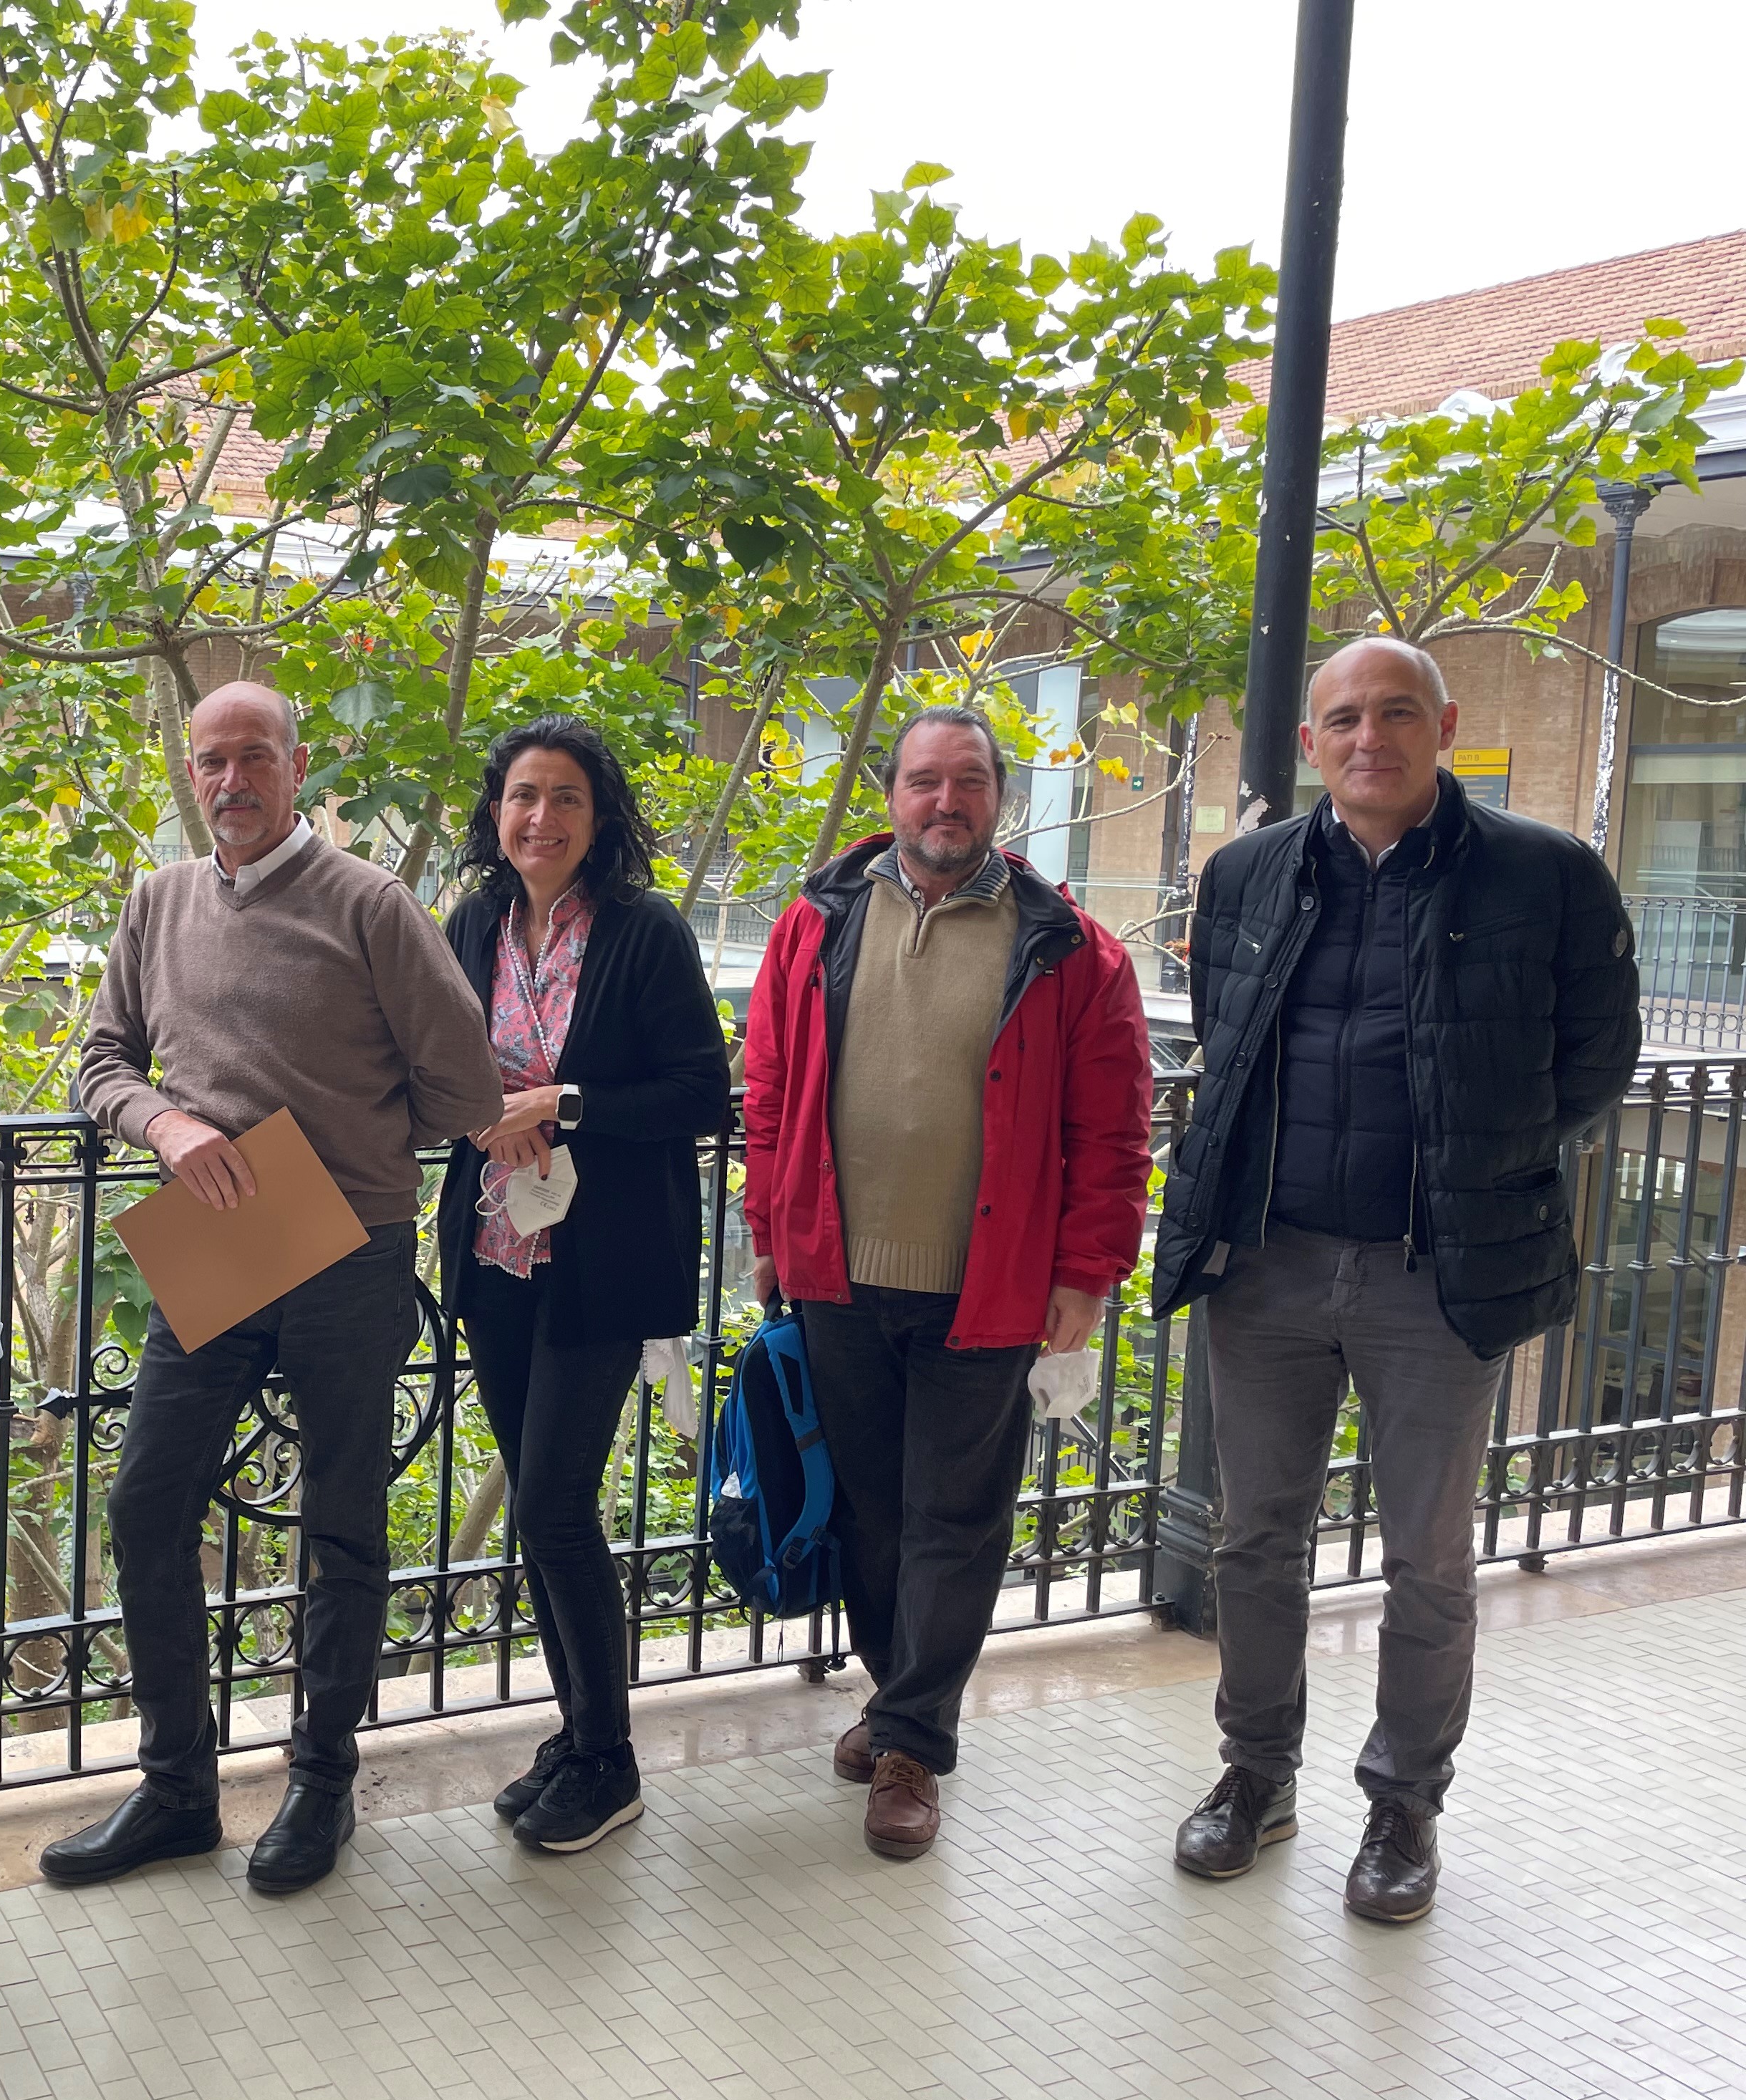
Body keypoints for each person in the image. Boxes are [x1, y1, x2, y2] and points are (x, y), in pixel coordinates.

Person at [1153, 637, 1637, 1923]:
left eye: (1398, 713)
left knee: (1427, 1556)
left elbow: (1595, 1061)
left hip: (1439, 1273)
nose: (1371, 737)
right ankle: (1256, 1775)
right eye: (1346, 718)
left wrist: (1482, 1162)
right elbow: (1226, 1037)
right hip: (1268, 1264)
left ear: (1445, 725)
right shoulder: (1249, 872)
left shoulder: (1546, 874)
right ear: (1311, 742)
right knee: (1256, 1541)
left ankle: (1404, 1805)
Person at [45, 680, 504, 1896]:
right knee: (146, 1506)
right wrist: (167, 1124)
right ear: (191, 774)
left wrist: (347, 1148)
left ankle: (321, 1782)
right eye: (212, 761)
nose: (231, 780)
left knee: (342, 1521)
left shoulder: (371, 904)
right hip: (218, 1231)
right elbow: (101, 1060)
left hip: (348, 1243)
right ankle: (177, 1791)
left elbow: (465, 1090)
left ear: (299, 769)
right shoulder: (159, 902)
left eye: (255, 757)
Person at [742, 705, 1152, 1862]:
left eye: (969, 781)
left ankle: (915, 1743)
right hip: (836, 1274)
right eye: (925, 780)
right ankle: (897, 1697)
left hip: (991, 1286)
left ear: (999, 800)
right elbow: (768, 1089)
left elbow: (1115, 1134)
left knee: (956, 1521)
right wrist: (769, 1226)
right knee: (869, 1513)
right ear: (892, 795)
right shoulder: (816, 921)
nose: (945, 801)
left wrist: (1087, 1276)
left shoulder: (1070, 948)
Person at [436, 718, 729, 1854]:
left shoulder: (644, 932)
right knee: (542, 1507)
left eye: (566, 797)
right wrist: (483, 1112)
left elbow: (700, 1093)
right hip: (496, 1255)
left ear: (598, 818)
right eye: (522, 795)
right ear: (495, 812)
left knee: (554, 1505)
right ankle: (577, 1736)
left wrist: (562, 1105)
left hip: (603, 1263)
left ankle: (610, 1761)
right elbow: (439, 1066)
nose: (541, 818)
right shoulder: (474, 923)